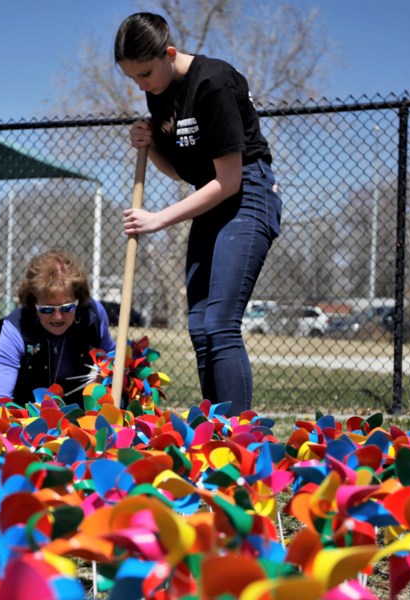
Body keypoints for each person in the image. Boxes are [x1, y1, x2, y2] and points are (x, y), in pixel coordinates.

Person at [114, 12, 282, 415]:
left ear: (169, 53)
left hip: (247, 196)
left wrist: (158, 219)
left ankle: (239, 435)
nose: (141, 85)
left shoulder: (214, 83)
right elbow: (184, 172)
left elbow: (229, 181)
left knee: (221, 322)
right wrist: (151, 145)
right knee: (199, 324)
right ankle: (214, 430)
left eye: (145, 73)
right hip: (209, 198)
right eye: (133, 78)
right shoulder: (161, 90)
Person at [0, 249, 117, 407]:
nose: (58, 317)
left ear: (78, 299)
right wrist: (3, 425)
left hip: (78, 401)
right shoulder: (16, 327)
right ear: (33, 301)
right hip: (26, 402)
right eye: (47, 309)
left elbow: (111, 358)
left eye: (67, 308)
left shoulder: (93, 315)